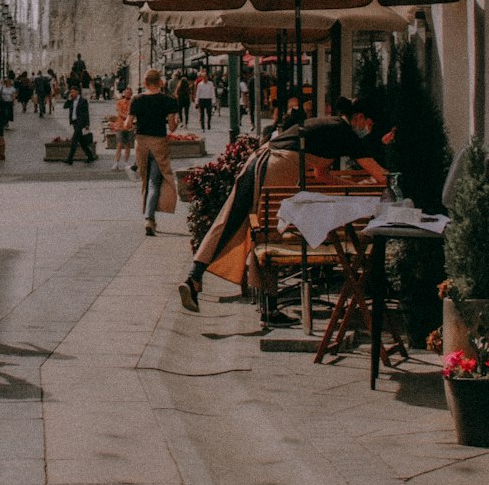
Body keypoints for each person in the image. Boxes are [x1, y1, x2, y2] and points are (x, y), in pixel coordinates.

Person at [178, 99, 388, 324]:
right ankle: (269, 308)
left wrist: (351, 188)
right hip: (276, 166)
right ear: (358, 117)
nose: (367, 128)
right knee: (268, 233)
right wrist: (387, 183)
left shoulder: (331, 126)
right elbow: (380, 175)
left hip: (260, 159)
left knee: (231, 219)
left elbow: (321, 174)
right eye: (368, 122)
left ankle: (194, 277)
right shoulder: (346, 134)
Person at [130, 69, 179, 235]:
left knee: (145, 180)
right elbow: (172, 127)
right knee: (154, 182)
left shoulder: (136, 100)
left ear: (145, 83)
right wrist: (175, 122)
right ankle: (149, 219)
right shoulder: (169, 101)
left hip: (142, 144)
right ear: (160, 83)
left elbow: (128, 124)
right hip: (158, 144)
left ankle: (149, 216)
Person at [64, 84, 96, 164]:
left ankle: (70, 159)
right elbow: (65, 106)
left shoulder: (83, 101)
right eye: (71, 92)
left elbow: (86, 113)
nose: (72, 93)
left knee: (74, 140)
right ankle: (90, 156)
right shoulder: (71, 100)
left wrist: (87, 124)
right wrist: (68, 99)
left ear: (77, 92)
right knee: (81, 141)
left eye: (73, 92)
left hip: (80, 122)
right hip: (74, 122)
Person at [111, 86, 134, 171]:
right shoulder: (119, 102)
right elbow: (120, 112)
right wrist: (128, 117)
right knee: (119, 144)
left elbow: (133, 112)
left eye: (129, 93)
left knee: (128, 144)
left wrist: (129, 118)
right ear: (124, 93)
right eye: (127, 92)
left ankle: (126, 162)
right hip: (121, 125)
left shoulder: (133, 102)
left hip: (129, 126)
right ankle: (116, 162)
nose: (128, 94)